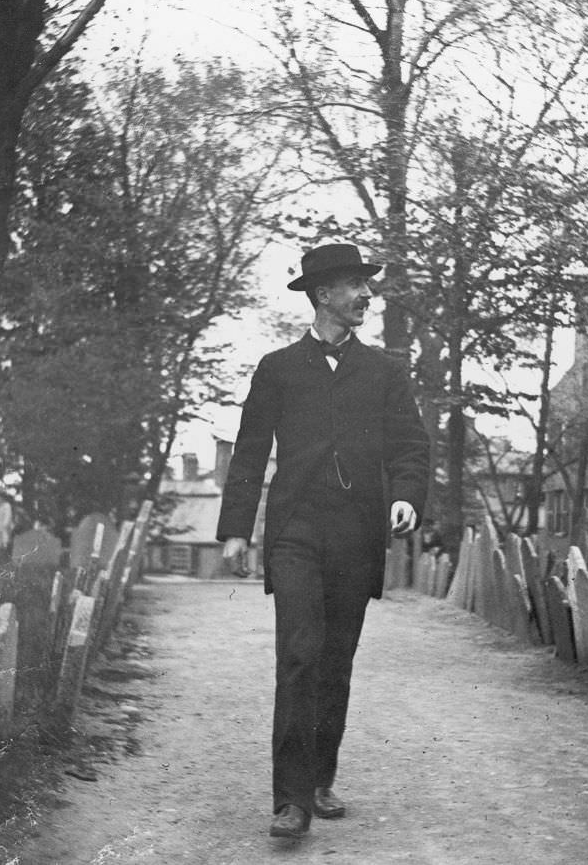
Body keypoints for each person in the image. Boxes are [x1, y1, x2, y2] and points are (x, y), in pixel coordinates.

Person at [216, 242, 430, 840]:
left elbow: (411, 447)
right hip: (296, 531)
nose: (366, 295)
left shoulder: (386, 371)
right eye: (355, 286)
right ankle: (291, 801)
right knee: (300, 655)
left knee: (336, 661)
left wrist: (407, 494)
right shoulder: (278, 368)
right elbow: (251, 450)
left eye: (368, 286)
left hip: (357, 533)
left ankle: (319, 778)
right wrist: (235, 529)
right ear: (322, 295)